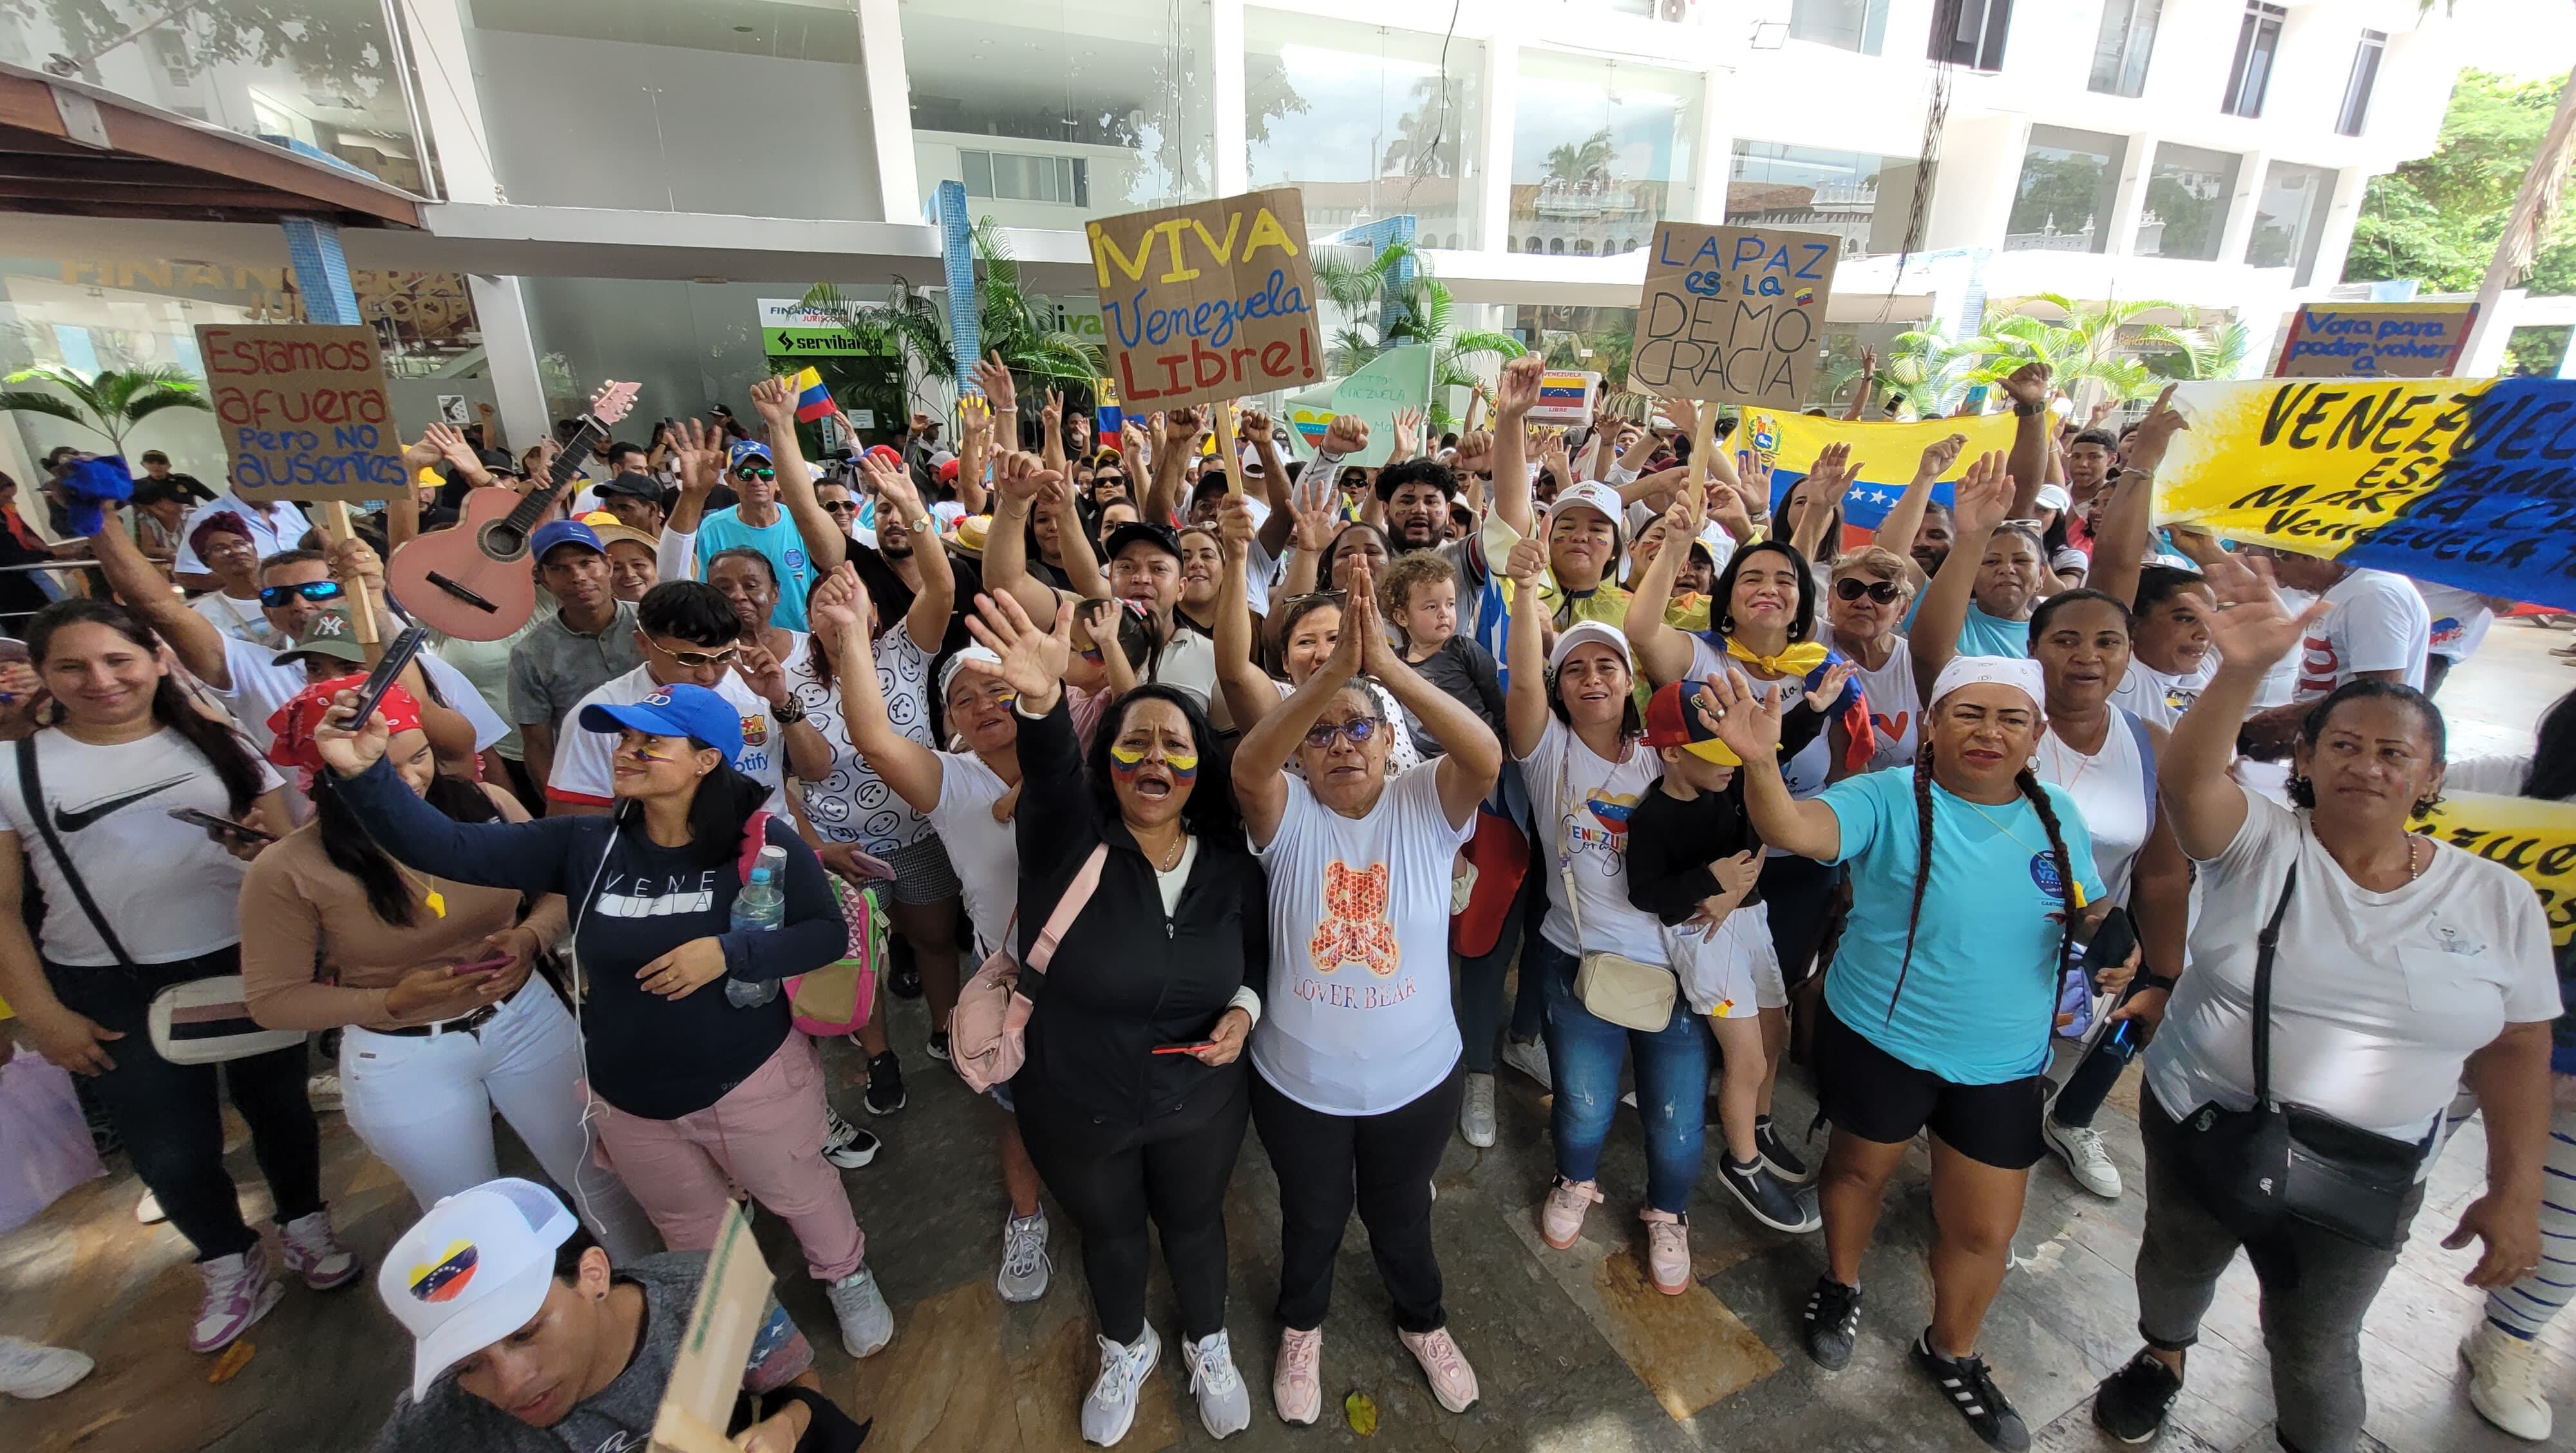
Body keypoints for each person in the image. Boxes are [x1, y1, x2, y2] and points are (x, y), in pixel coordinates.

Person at [2087, 558, 2555, 1453]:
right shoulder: (2259, 840)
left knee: (2315, 1347)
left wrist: (2515, 1190)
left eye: (2394, 753)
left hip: (2368, 1167)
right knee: (2176, 1261)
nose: (2366, 767)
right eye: (2343, 745)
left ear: (2431, 776)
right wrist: (2242, 670)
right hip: (2201, 1119)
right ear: (2305, 758)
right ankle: (2162, 1356)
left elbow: (2516, 1047)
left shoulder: (2495, 900)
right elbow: (2186, 783)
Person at [316, 680, 896, 1359]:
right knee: (688, 1226)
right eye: (624, 738)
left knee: (800, 1192)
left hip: (748, 1082)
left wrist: (727, 953)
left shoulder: (764, 843)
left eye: (651, 742)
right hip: (630, 1099)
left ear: (707, 760)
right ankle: (748, 1327)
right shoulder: (586, 843)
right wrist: (365, 775)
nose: (626, 752)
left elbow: (824, 936)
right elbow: (449, 849)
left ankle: (845, 1274)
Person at [1703, 647, 2111, 1453]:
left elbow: (2084, 905)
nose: (1989, 733)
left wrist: (2109, 941)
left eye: (2011, 719)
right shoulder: (1887, 796)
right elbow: (1793, 828)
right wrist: (1759, 763)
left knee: (1985, 1229)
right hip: (1881, 1038)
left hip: (2003, 1060)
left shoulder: (2057, 814)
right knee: (1858, 1171)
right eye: (1969, 714)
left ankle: (1951, 1350)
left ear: (2036, 735)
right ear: (1931, 724)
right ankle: (1840, 1281)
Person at [0, 598, 353, 1354]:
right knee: (169, 1147)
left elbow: (291, 852)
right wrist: (42, 1013)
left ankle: (304, 1222)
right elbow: (2, 909)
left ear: (157, 660)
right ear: (44, 675)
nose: (101, 680)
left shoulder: (221, 743)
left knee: (280, 1109)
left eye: (118, 659)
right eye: (73, 666)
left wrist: (268, 860)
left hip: (251, 959)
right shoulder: (11, 769)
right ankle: (227, 1259)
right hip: (106, 984)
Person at [965, 589, 1267, 1446]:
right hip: (1075, 1099)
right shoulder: (1066, 839)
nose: (1153, 758)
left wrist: (1244, 1012)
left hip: (1198, 1100)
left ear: (1200, 768)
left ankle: (1207, 1340)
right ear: (1109, 762)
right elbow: (1052, 774)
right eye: (1135, 742)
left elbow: (1258, 957)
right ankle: (1125, 1345)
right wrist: (1039, 703)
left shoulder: (1230, 866)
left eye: (1175, 743)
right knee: (1109, 1233)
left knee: (1196, 1224)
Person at [238, 676, 654, 1256]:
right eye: (383, 767)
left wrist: (530, 936)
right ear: (326, 771)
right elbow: (273, 1000)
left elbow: (566, 884)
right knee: (466, 1218)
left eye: (420, 757)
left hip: (525, 1016)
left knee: (601, 1175)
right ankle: (523, 1312)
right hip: (404, 1052)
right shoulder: (289, 868)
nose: (410, 781)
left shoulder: (485, 807)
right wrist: (389, 1001)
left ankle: (646, 1285)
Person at [1233, 555, 1501, 1423]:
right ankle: (1301, 1327)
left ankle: (1424, 1321)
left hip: (1416, 1082)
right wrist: (1331, 680)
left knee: (1400, 1216)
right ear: (1300, 753)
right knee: (1312, 1218)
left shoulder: (1426, 801)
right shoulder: (1287, 813)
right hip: (1298, 1086)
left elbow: (1485, 755)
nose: (1341, 745)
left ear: (1389, 742)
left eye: (1359, 730)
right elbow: (1249, 768)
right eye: (1321, 735)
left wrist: (1382, 669)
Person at [825, 565, 1052, 1302]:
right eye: (963, 697)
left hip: (1093, 970)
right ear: (949, 718)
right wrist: (851, 637)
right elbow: (872, 738)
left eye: (996, 688)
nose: (983, 704)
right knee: (1016, 1108)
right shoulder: (950, 783)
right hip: (1009, 978)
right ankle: (1026, 1218)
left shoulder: (1072, 754)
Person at [1503, 535, 1712, 1293]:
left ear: (1631, 682)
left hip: (1678, 963)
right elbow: (1520, 683)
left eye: (1607, 666)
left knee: (1676, 1119)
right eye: (1575, 669)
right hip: (1575, 959)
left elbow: (1736, 817)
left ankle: (1667, 1214)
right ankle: (1575, 1180)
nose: (1591, 679)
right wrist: (1523, 592)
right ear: (1559, 689)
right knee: (1584, 1106)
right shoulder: (1547, 754)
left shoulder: (1670, 754)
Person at [369, 1178, 868, 1453]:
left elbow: (793, 1380)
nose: (511, 1384)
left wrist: (787, 1425)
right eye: (467, 1365)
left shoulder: (709, 1297)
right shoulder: (442, 1419)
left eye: (525, 1334)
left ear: (593, 1274)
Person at [1622, 679, 1816, 1235]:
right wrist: (1711, 881)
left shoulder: (1728, 787)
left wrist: (1813, 710)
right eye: (1716, 752)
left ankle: (1758, 1122)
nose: (1732, 762)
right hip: (1704, 941)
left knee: (1774, 1034)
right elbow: (1647, 895)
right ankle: (1743, 1162)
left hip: (1749, 919)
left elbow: (1772, 753)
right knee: (1747, 1060)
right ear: (1672, 753)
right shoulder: (1652, 818)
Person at [2443, 687, 2576, 1443]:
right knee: (2384, 1175)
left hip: (2571, 1058)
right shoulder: (2497, 784)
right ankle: (2323, 1313)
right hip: (2449, 1027)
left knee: (2562, 1219)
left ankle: (2510, 1339)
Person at [545, 580, 830, 819]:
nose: (707, 674)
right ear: (644, 644)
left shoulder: (758, 686)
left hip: (767, 854)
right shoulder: (603, 713)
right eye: (689, 659)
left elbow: (814, 772)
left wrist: (782, 703)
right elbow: (575, 822)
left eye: (722, 657)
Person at [509, 519, 646, 793]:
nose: (578, 577)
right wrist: (560, 804)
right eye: (560, 569)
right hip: (590, 781)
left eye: (586, 563)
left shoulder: (651, 624)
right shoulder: (531, 653)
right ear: (541, 578)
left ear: (608, 565)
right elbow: (537, 744)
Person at [184, 511, 283, 648]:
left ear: (254, 550)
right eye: (220, 549)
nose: (235, 552)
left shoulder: (288, 592)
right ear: (207, 562)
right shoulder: (205, 614)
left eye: (240, 544)